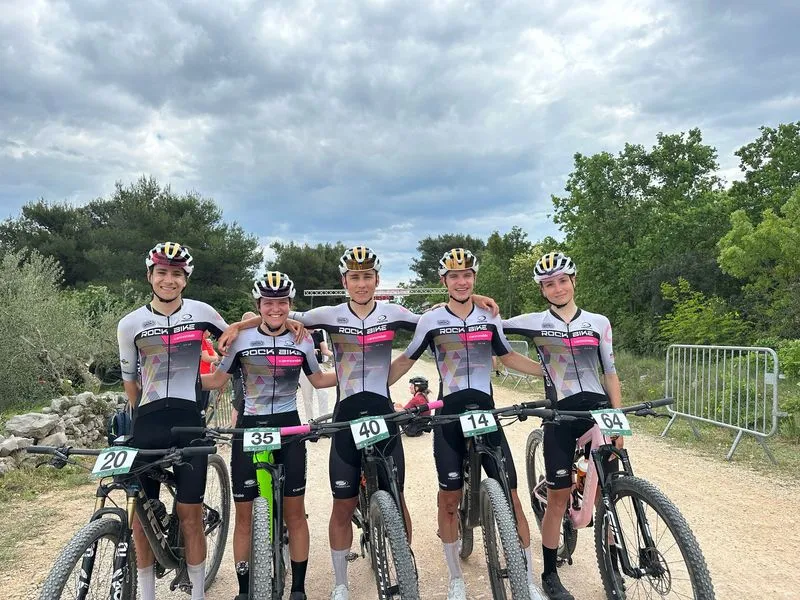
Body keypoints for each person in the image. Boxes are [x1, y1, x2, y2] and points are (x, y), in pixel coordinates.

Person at [220, 245, 500, 600]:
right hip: (347, 416)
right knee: (343, 504)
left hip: (383, 414)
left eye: (367, 276)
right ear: (345, 281)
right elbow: (277, 313)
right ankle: (340, 584)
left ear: (377, 279)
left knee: (397, 497)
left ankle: (404, 564)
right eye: (355, 277)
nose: (362, 283)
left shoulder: (393, 312)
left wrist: (474, 297)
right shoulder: (329, 314)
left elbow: (440, 314)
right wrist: (238, 325)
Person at [388, 248, 546, 600]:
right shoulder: (431, 320)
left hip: (485, 413)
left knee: (512, 496)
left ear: (474, 278)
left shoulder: (489, 316)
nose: (461, 282)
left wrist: (547, 372)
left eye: (467, 275)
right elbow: (406, 359)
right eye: (454, 276)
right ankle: (456, 579)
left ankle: (528, 580)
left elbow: (508, 356)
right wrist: (376, 390)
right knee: (449, 500)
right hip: (449, 417)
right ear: (443, 281)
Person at [202, 272, 336, 600]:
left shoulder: (302, 339)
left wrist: (354, 373)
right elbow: (217, 381)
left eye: (282, 302)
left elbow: (318, 380)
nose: (275, 308)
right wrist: (173, 378)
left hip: (289, 428)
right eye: (268, 303)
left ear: (290, 304)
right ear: (259, 305)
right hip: (249, 427)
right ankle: (244, 590)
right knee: (244, 515)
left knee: (295, 512)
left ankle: (298, 589)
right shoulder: (241, 340)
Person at [502, 251, 622, 600]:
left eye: (562, 281)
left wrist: (618, 419)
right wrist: (541, 369)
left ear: (573, 281)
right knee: (558, 497)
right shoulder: (534, 322)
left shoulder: (598, 322)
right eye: (549, 284)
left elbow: (610, 374)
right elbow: (491, 331)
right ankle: (550, 573)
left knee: (608, 492)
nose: (557, 288)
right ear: (542, 290)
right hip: (560, 416)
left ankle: (614, 564)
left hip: (599, 411)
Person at [117, 242, 229, 600]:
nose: (169, 280)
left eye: (177, 274)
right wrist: (140, 416)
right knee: (141, 520)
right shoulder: (130, 323)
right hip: (148, 423)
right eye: (162, 272)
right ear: (150, 276)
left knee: (189, 514)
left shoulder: (202, 312)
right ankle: (148, 594)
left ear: (186, 279)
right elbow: (130, 382)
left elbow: (235, 341)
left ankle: (197, 594)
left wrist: (218, 379)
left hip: (188, 422)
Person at [229, 311, 257, 428]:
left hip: (253, 377)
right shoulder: (237, 337)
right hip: (240, 376)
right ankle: (235, 432)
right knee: (238, 405)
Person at [298, 328, 333, 420]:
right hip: (304, 367)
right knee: (307, 396)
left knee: (323, 394)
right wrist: (309, 350)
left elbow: (325, 350)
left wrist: (337, 356)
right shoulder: (299, 333)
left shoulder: (318, 334)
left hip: (318, 366)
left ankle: (324, 419)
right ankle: (310, 420)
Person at [199, 329, 218, 414]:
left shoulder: (206, 342)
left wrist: (214, 357)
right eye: (208, 329)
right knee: (202, 403)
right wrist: (215, 358)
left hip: (207, 373)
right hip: (202, 374)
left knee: (205, 402)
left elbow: (214, 354)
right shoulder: (201, 341)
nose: (210, 331)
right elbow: (206, 358)